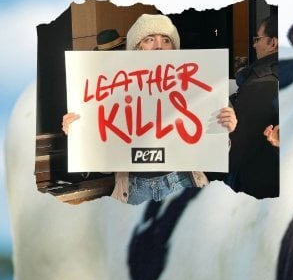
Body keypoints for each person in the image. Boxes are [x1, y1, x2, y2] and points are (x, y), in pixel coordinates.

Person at [62, 14, 237, 204]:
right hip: (134, 189)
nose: (159, 45)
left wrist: (226, 127)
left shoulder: (197, 84)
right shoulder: (115, 91)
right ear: (137, 48)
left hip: (183, 182)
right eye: (149, 39)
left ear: (174, 48)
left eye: (166, 40)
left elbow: (215, 149)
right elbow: (105, 164)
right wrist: (80, 134)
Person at [225, 15, 279, 198]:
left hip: (252, 186)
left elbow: (239, 145)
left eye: (258, 39)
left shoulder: (261, 82)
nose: (254, 45)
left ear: (273, 43)